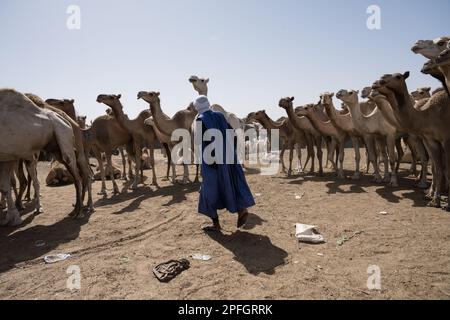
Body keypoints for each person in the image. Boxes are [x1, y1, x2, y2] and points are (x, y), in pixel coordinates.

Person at [193, 95, 255, 231]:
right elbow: (232, 132)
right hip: (228, 158)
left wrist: (210, 161)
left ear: (196, 107)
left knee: (208, 191)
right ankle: (241, 210)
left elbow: (200, 142)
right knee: (231, 183)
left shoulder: (200, 120)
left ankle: (216, 224)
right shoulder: (220, 116)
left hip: (211, 161)